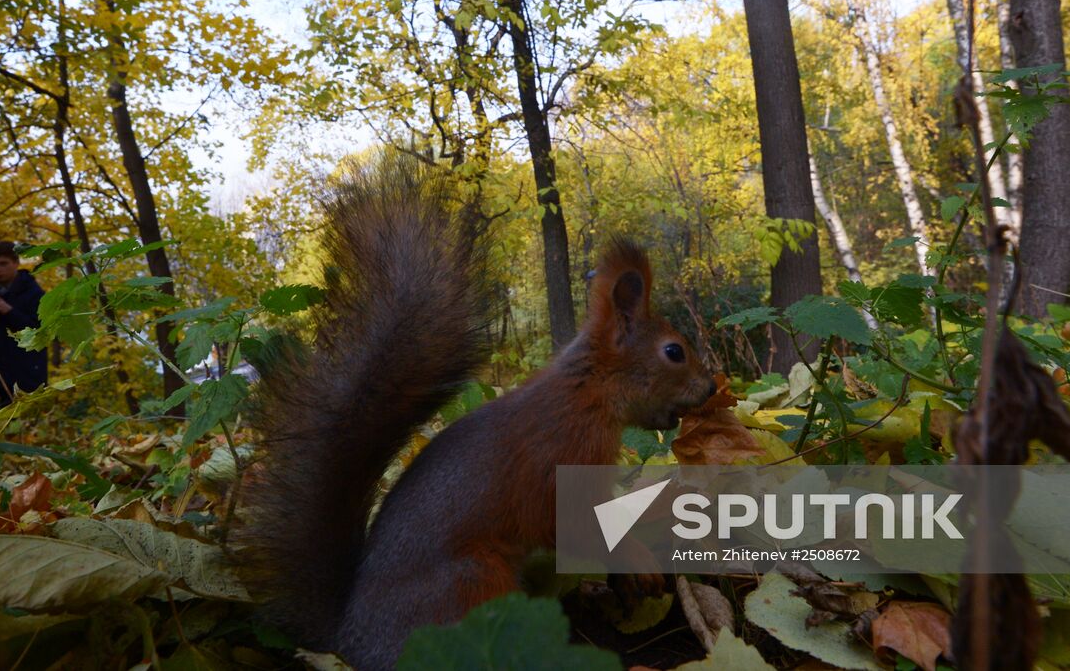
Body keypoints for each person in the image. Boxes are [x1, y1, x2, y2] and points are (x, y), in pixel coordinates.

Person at [234, 161, 716, 670]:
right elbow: (559, 521)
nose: (697, 385)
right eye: (674, 356)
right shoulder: (578, 413)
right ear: (621, 327)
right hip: (423, 615)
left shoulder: (566, 411)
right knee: (478, 571)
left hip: (428, 591)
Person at [0, 241, 46, 404]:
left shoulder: (33, 293)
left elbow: (41, 334)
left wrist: (9, 312)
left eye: (3, 264)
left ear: (16, 263)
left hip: (22, 381)